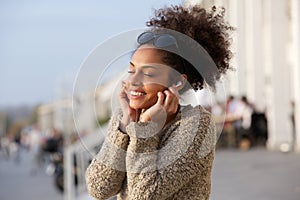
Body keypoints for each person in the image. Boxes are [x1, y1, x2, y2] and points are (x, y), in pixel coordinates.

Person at [86, 4, 233, 200]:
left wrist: (146, 129)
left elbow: (144, 195)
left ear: (177, 81)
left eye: (148, 73)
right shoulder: (126, 118)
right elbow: (99, 188)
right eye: (131, 70)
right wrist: (123, 126)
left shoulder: (197, 126)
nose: (133, 81)